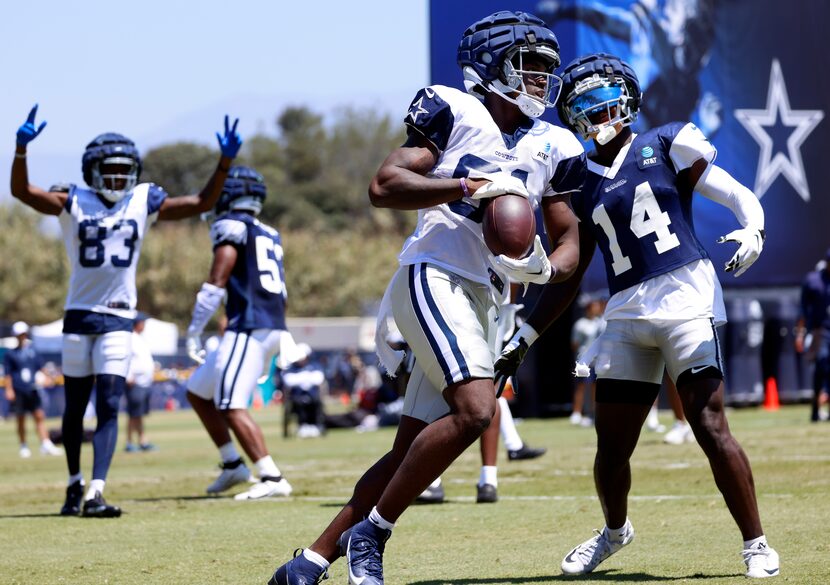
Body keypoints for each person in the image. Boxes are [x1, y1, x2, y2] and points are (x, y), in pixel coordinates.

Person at [268, 10, 584, 585]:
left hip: (486, 298)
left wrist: (542, 268)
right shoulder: (455, 109)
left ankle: (307, 563)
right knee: (477, 411)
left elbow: (569, 244)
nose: (541, 79)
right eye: (530, 66)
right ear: (491, 65)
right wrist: (468, 185)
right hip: (434, 274)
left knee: (409, 451)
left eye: (547, 69)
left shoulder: (556, 144)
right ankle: (372, 533)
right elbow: (385, 185)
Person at [495, 52, 778, 578]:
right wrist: (528, 330)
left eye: (604, 99)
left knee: (710, 425)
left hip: (686, 296)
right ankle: (614, 532)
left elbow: (736, 192)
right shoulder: (577, 177)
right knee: (610, 446)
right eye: (584, 105)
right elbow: (574, 269)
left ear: (626, 97)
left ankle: (756, 542)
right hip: (626, 311)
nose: (598, 113)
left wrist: (753, 227)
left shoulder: (667, 140)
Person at [11, 105, 242, 518]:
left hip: (118, 317)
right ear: (91, 171)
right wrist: (21, 151)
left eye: (123, 170)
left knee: (110, 403)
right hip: (79, 315)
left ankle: (96, 490)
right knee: (74, 405)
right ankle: (72, 484)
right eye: (109, 170)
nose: (118, 178)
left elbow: (201, 201)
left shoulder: (143, 199)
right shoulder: (72, 199)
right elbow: (23, 193)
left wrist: (224, 162)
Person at [185, 165, 297, 500]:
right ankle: (232, 463)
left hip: (248, 328)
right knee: (198, 391)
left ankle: (271, 476)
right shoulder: (268, 231)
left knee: (231, 405)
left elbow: (218, 280)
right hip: (268, 324)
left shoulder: (230, 225)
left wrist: (193, 329)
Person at [3, 321, 61, 458]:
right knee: (20, 418)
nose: (21, 337)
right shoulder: (10, 354)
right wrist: (9, 389)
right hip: (19, 389)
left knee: (39, 416)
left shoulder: (33, 351)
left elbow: (41, 367)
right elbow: (8, 374)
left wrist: (49, 378)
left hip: (32, 389)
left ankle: (45, 443)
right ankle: (23, 445)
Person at [796, 248, 830, 423]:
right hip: (820, 331)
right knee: (822, 364)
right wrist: (800, 334)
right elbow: (802, 309)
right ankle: (816, 409)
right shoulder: (814, 280)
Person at [569, 294, 605, 426]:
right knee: (581, 386)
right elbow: (574, 344)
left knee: (596, 387)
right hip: (583, 361)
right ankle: (577, 413)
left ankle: (594, 412)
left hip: (597, 361)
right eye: (594, 306)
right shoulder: (580, 324)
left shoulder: (600, 322)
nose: (596, 308)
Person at [124, 313, 156, 452]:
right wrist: (128, 376)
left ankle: (142, 440)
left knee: (139, 414)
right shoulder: (129, 339)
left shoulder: (140, 339)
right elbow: (126, 358)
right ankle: (129, 442)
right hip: (134, 382)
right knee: (133, 414)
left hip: (144, 382)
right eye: (142, 322)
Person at [281, 343, 327, 438]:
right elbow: (289, 381)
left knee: (316, 403)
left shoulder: (315, 365)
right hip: (297, 396)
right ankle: (302, 425)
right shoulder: (291, 368)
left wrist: (300, 378)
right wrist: (307, 376)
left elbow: (318, 379)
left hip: (313, 395)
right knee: (299, 403)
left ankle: (315, 426)